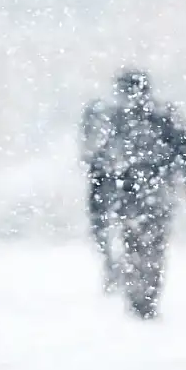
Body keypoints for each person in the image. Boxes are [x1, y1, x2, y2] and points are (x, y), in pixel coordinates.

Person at [97, 68, 186, 319]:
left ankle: (139, 297)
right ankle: (146, 296)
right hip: (155, 192)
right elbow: (185, 149)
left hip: (132, 194)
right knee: (152, 248)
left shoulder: (118, 119)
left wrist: (106, 192)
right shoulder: (162, 115)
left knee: (136, 245)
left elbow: (104, 160)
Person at [79, 97, 118, 292]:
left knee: (101, 228)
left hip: (103, 181)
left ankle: (113, 265)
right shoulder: (108, 114)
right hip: (111, 183)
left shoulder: (102, 113)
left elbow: (88, 150)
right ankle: (117, 266)